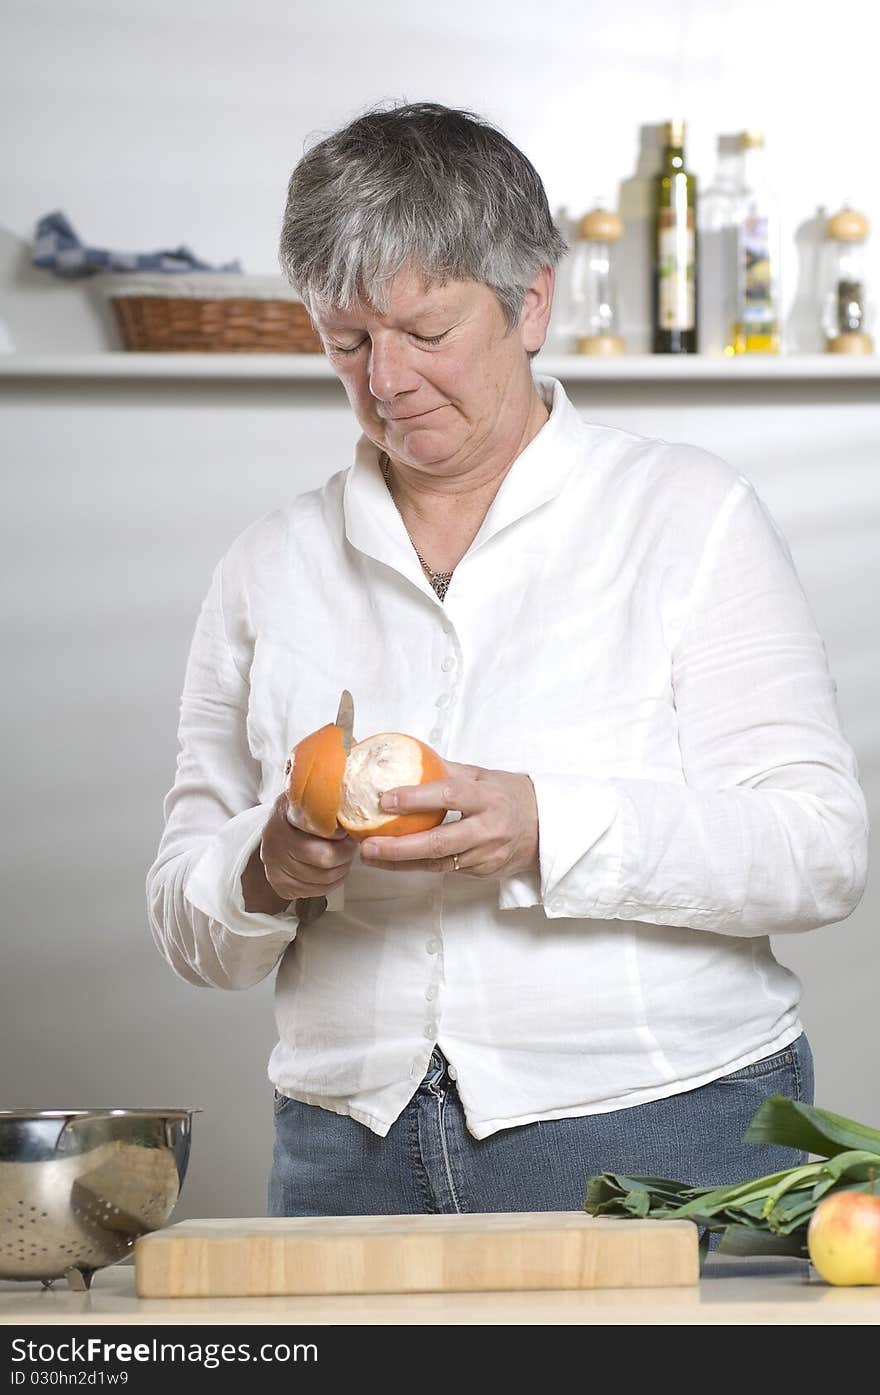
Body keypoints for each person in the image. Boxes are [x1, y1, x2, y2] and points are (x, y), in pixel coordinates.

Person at [146, 101, 868, 1221]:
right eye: (346, 340)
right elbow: (186, 909)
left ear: (531, 302)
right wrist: (268, 866)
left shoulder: (690, 518)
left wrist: (547, 825)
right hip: (347, 1154)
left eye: (423, 332)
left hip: (659, 1125)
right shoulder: (267, 568)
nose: (384, 379)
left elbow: (820, 849)